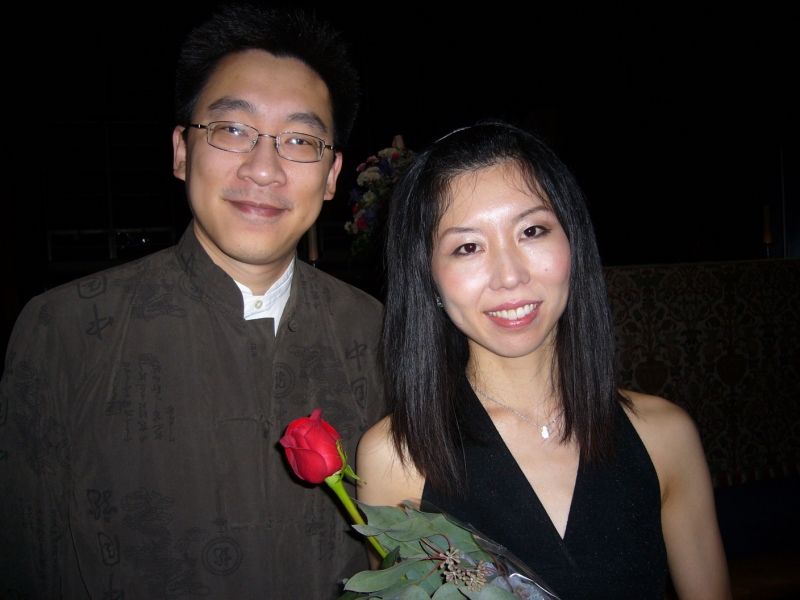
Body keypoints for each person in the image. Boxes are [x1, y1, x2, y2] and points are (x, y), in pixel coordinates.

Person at [0, 4, 383, 598]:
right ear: (182, 151)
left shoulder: (377, 332)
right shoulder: (66, 329)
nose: (263, 169)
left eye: (299, 140)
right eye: (232, 130)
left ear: (332, 175)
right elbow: (28, 557)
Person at [356, 122, 731, 599]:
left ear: (572, 242)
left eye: (531, 231)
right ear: (428, 277)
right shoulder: (397, 458)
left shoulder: (665, 437)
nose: (510, 275)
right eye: (468, 247)